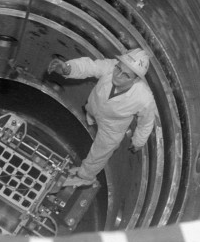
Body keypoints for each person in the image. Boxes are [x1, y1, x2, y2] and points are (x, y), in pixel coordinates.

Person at [47, 48, 157, 187]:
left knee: (99, 154)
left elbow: (146, 122)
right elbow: (90, 66)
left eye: (126, 75)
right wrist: (67, 68)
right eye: (118, 68)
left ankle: (85, 177)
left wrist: (138, 142)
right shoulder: (111, 67)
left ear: (136, 80)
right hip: (94, 109)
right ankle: (91, 122)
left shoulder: (143, 98)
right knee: (91, 117)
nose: (118, 75)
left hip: (112, 127)